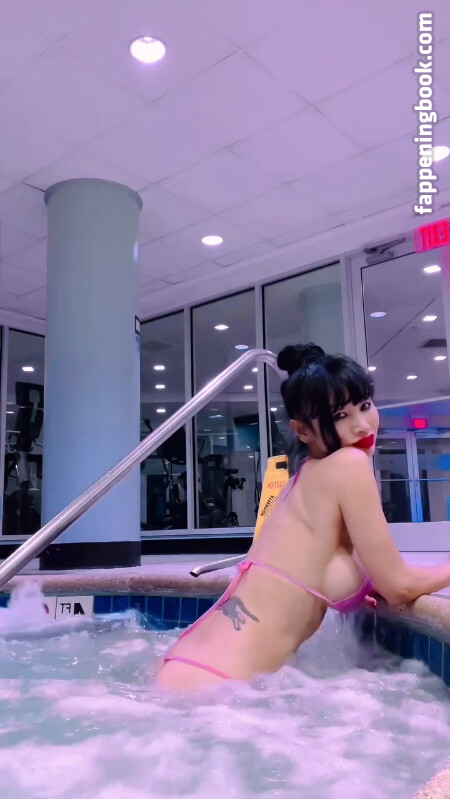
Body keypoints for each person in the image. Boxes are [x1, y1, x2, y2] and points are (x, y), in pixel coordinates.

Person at [156, 343, 450, 691]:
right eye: (340, 416)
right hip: (216, 686)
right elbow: (399, 586)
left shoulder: (300, 483)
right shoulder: (349, 464)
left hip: (191, 668)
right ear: (303, 431)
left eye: (364, 406)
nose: (362, 425)